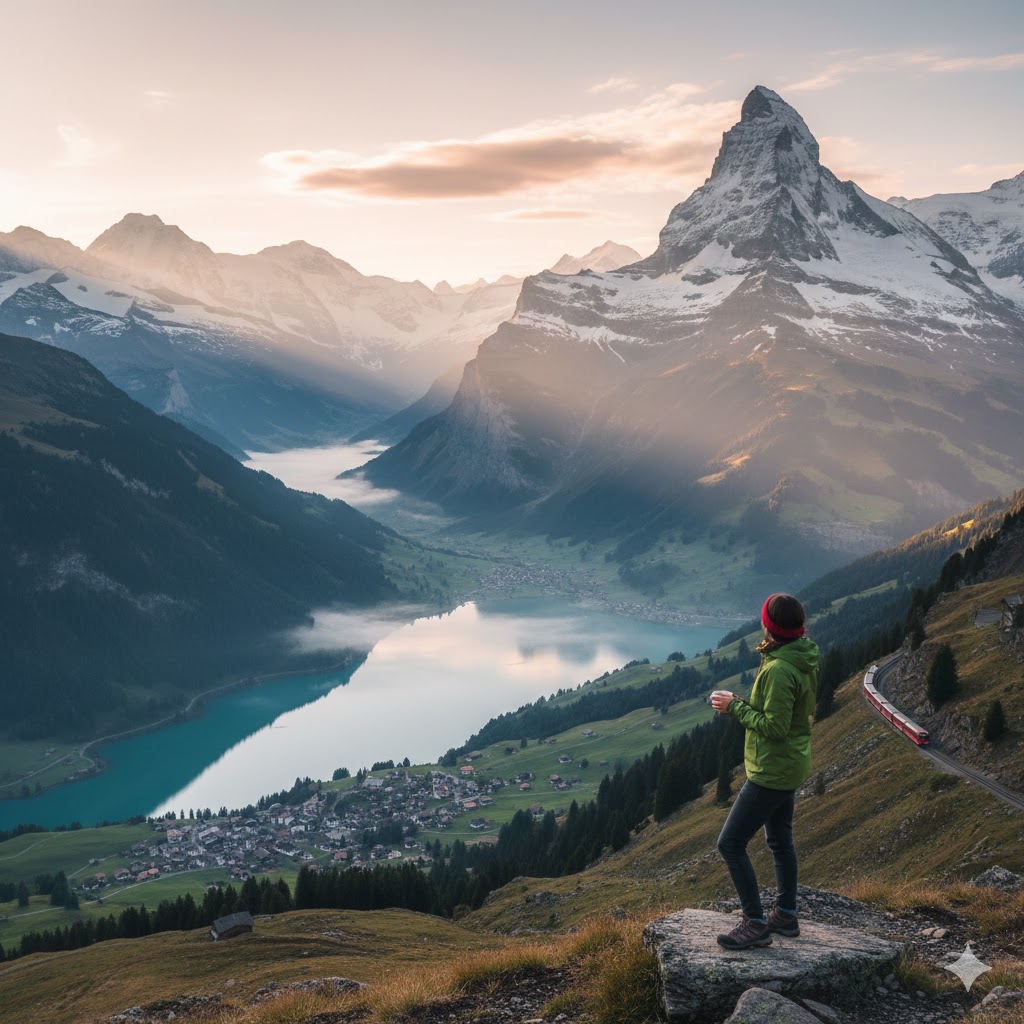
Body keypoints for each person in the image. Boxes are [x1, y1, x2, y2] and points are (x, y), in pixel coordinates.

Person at [710, 593, 819, 950]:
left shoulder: (778, 668)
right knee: (779, 841)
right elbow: (784, 717)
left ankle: (755, 921)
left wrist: (735, 708)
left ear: (768, 626)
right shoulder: (800, 656)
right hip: (790, 763)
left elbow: (774, 726)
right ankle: (785, 914)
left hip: (771, 770)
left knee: (730, 843)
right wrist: (743, 703)